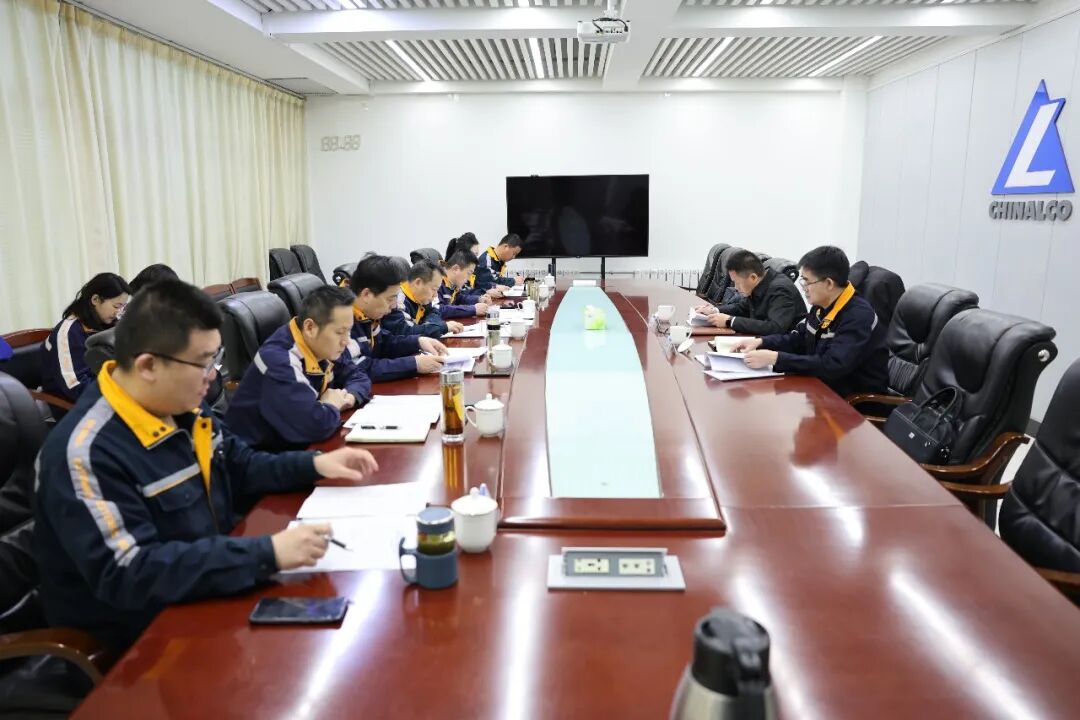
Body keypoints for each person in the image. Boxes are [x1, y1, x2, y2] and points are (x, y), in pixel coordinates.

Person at [33, 280, 379, 648]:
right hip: (141, 641)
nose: (214, 375)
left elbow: (241, 464)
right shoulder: (85, 452)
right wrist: (267, 553)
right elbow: (131, 572)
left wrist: (316, 465)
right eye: (203, 362)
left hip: (208, 587)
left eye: (216, 358)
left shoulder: (182, 407)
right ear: (148, 365)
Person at [224, 286, 372, 451]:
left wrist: (349, 397)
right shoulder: (279, 360)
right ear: (310, 328)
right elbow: (315, 426)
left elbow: (359, 376)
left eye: (349, 331)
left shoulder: (322, 344)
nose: (346, 341)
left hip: (296, 447)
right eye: (340, 332)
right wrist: (332, 405)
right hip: (259, 457)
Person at [732, 246, 888, 398]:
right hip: (821, 387)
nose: (804, 288)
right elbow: (798, 339)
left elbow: (832, 365)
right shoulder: (821, 306)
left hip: (853, 401)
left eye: (807, 282)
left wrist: (776, 359)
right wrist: (760, 342)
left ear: (829, 283)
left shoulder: (858, 316)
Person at [347, 255, 449, 382]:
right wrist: (414, 364)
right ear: (367, 295)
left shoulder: (369, 316)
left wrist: (418, 341)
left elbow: (385, 343)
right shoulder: (343, 320)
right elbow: (360, 368)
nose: (394, 305)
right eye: (390, 298)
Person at [41, 272, 131, 403]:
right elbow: (75, 386)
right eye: (116, 306)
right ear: (95, 300)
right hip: (69, 403)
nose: (118, 312)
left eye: (123, 306)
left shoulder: (108, 324)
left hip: (108, 389)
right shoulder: (68, 333)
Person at [693, 250, 803, 335]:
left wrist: (730, 321)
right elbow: (742, 308)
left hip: (784, 350)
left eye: (737, 282)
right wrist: (715, 310)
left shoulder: (780, 289)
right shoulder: (760, 283)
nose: (736, 288)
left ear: (753, 277)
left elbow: (775, 327)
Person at [382, 260, 464, 339]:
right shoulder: (397, 301)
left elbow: (434, 311)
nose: (436, 295)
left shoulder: (422, 298)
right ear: (418, 283)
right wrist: (441, 328)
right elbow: (406, 332)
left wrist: (430, 326)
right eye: (434, 289)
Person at [437, 250, 489, 319]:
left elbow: (459, 298)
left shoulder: (452, 284)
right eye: (469, 273)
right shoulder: (436, 281)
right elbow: (439, 310)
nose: (469, 279)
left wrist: (478, 299)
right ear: (456, 269)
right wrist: (473, 309)